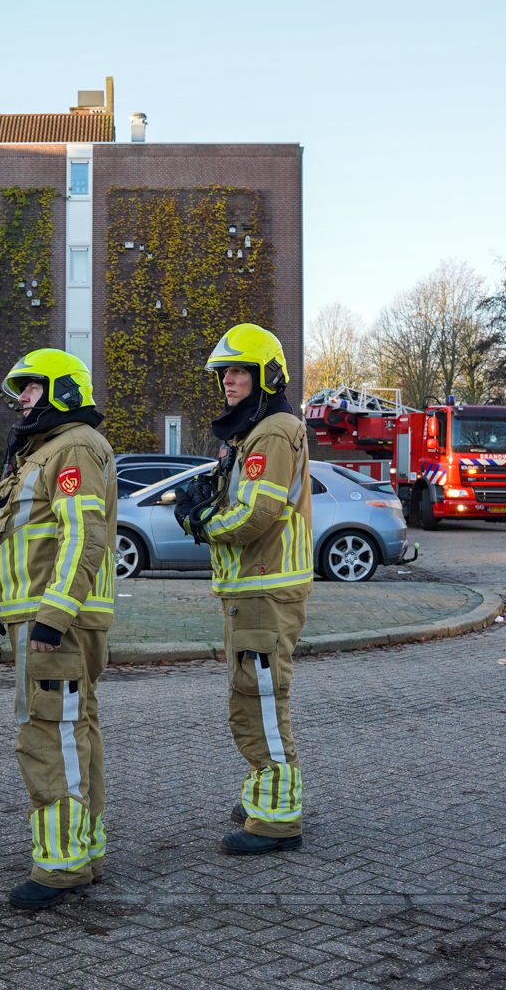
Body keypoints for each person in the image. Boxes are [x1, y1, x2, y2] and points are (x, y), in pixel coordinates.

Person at [0, 349, 117, 910]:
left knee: (49, 732)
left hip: (52, 620)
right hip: (45, 615)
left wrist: (53, 615)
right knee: (73, 728)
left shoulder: (73, 447)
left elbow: (80, 534)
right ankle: (79, 851)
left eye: (34, 389)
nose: (24, 400)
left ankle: (60, 864)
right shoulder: (52, 449)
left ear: (63, 390)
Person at [182, 324, 311, 856]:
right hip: (253, 588)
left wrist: (201, 522)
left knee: (259, 700)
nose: (228, 382)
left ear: (265, 376)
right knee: (251, 697)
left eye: (238, 372)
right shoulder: (253, 433)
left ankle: (278, 815)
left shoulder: (273, 432)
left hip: (265, 588)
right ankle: (267, 792)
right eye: (224, 374)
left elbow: (258, 512)